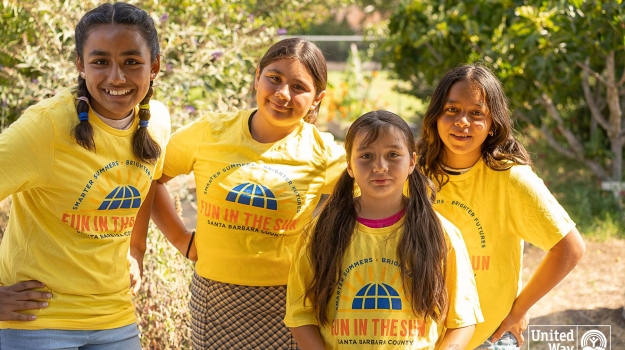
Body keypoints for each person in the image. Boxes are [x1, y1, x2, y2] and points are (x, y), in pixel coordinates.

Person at [132, 38, 346, 349]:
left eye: (299, 87)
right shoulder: (210, 132)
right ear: (257, 76)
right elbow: (148, 178)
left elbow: (374, 195)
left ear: (317, 98)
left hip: (288, 303)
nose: (283, 94)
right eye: (274, 78)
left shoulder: (322, 152)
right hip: (214, 299)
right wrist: (181, 239)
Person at [0, 3, 170, 349]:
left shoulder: (157, 124)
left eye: (131, 62)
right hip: (38, 321)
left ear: (154, 66)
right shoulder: (45, 128)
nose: (116, 77)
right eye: (100, 61)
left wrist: (137, 248)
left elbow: (147, 182)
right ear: (80, 64)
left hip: (115, 316)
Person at [417, 64, 586, 349]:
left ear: (493, 122)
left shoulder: (510, 178)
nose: (462, 122)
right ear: (435, 116)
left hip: (488, 336)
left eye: (476, 113)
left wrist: (519, 310)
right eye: (452, 110)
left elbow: (570, 247)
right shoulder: (412, 172)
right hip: (419, 336)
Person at [285, 110, 483, 349]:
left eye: (392, 155)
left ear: (411, 162)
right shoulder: (320, 231)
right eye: (366, 155)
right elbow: (300, 315)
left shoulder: (441, 234)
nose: (380, 166)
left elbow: (462, 321)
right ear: (349, 166)